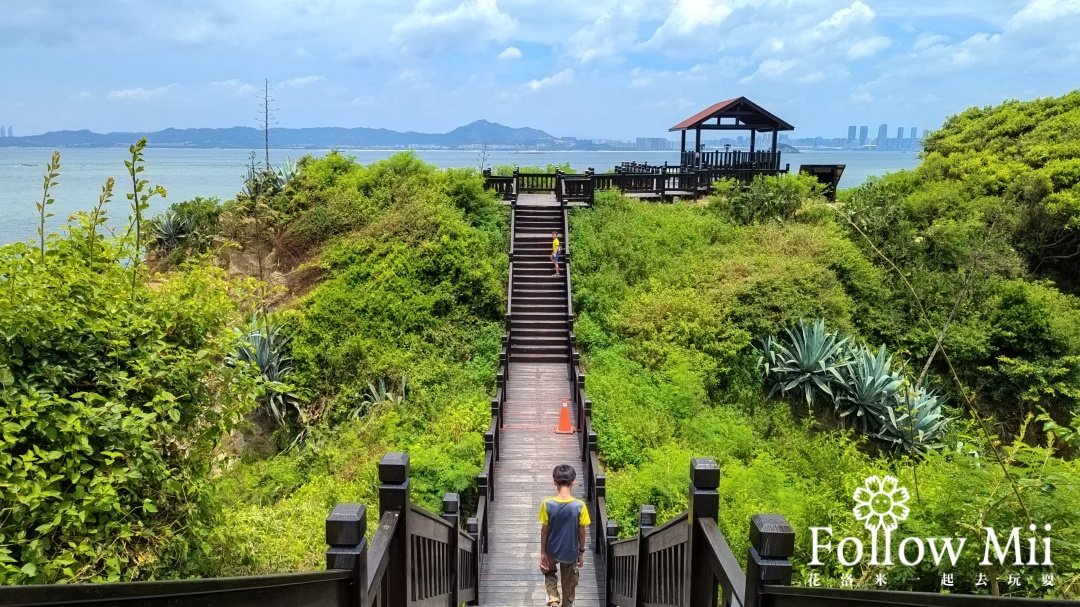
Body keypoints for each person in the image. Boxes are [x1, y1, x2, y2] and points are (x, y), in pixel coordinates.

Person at [539, 464, 590, 607]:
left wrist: (543, 552)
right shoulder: (580, 506)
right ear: (573, 481)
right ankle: (567, 604)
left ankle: (553, 598)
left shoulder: (547, 504)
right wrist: (581, 552)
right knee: (569, 584)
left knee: (549, 573)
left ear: (554, 481)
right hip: (570, 552)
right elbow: (582, 532)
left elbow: (544, 531)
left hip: (552, 550)